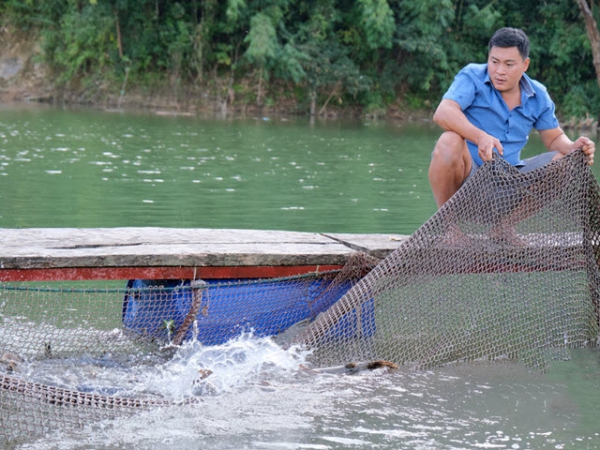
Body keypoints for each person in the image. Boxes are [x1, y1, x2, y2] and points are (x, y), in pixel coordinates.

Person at [429, 27, 596, 208]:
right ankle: (448, 225)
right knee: (449, 140)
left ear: (525, 65)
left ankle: (502, 228)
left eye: (509, 64)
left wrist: (573, 147)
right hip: (467, 177)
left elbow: (554, 137)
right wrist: (480, 137)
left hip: (511, 184)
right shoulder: (472, 76)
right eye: (494, 62)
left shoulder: (538, 95)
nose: (499, 71)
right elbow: (443, 112)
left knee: (565, 162)